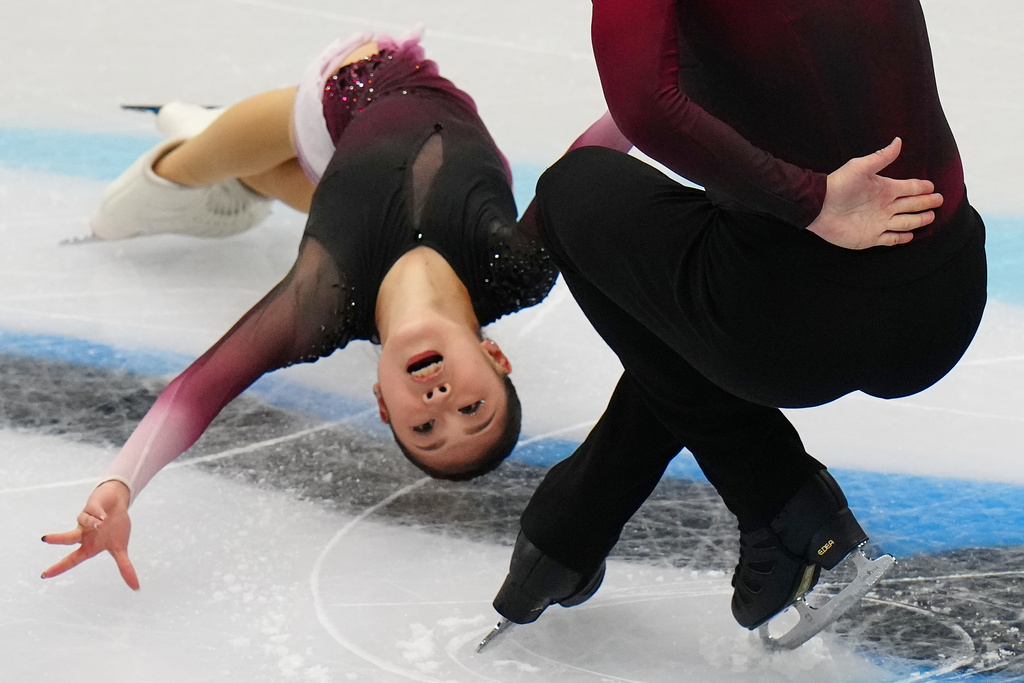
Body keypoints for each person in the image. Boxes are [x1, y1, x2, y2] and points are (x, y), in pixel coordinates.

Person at [41, 32, 631, 589]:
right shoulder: (515, 269)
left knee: (165, 183)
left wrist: (121, 482)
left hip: (335, 129)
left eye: (423, 429)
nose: (440, 404)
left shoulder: (323, 302)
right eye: (472, 408)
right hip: (365, 83)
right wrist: (665, 80)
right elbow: (591, 155)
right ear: (495, 356)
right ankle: (206, 144)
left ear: (382, 401)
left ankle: (155, 191)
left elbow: (203, 386)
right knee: (218, 154)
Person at [491, 0, 987, 637]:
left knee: (570, 193)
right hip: (942, 298)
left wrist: (809, 201)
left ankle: (777, 500)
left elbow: (645, 101)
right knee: (680, 285)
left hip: (786, 326)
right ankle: (566, 531)